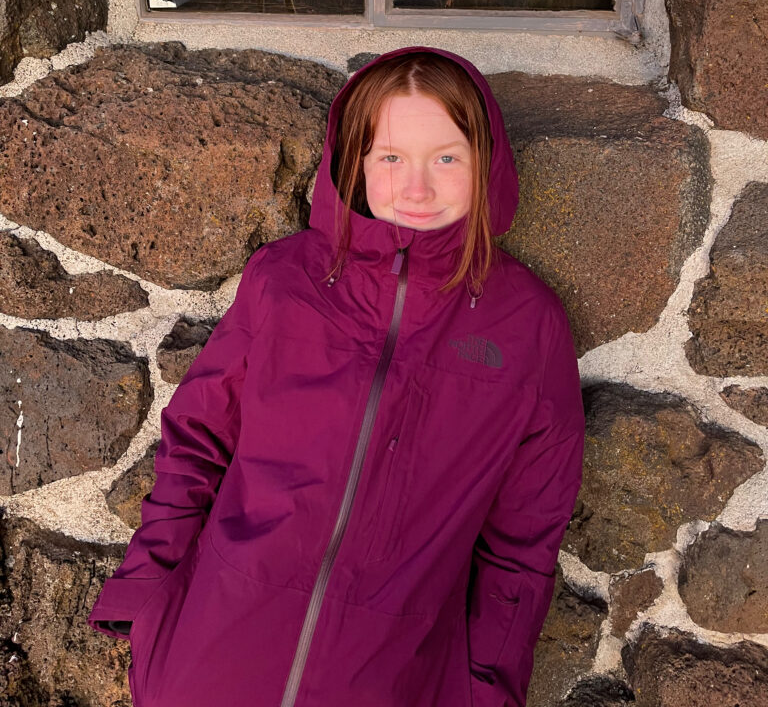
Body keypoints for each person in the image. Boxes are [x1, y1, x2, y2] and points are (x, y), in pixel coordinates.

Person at [88, 46, 585, 707]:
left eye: (446, 157)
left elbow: (526, 538)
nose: (416, 187)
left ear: (485, 161)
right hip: (211, 653)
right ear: (352, 161)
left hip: (392, 677)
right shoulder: (283, 280)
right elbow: (197, 440)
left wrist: (484, 689)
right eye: (390, 158)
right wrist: (149, 593)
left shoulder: (527, 325)